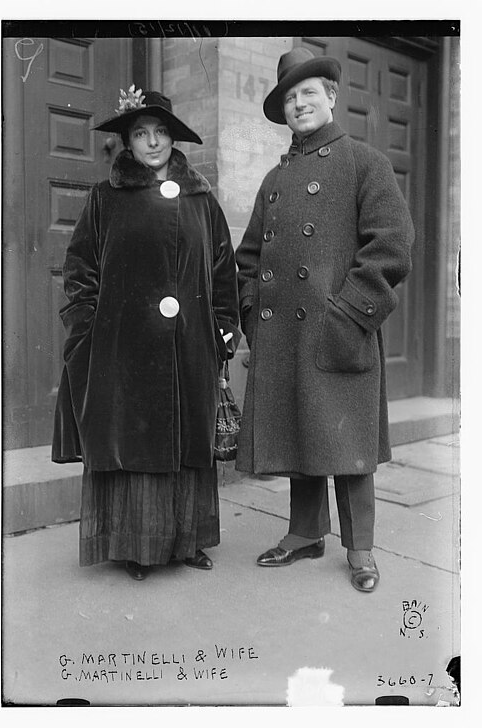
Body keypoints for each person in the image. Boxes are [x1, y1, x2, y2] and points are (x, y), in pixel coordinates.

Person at [235, 48, 414, 592]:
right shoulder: (273, 179)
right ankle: (304, 534)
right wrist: (253, 318)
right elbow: (246, 260)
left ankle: (360, 551)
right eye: (289, 98)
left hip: (340, 329)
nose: (298, 104)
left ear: (331, 96)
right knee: (300, 435)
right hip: (286, 335)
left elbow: (392, 246)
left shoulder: (365, 162)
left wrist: (347, 315)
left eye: (307, 92)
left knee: (349, 446)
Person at [52, 87, 240, 581]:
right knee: (133, 442)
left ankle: (190, 540)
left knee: (186, 440)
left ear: (173, 137)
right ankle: (135, 546)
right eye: (141, 133)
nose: (152, 142)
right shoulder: (105, 198)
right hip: (124, 346)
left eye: (160, 132)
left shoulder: (202, 199)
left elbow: (223, 270)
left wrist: (223, 331)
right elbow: (80, 269)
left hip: (189, 346)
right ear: (128, 142)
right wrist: (87, 328)